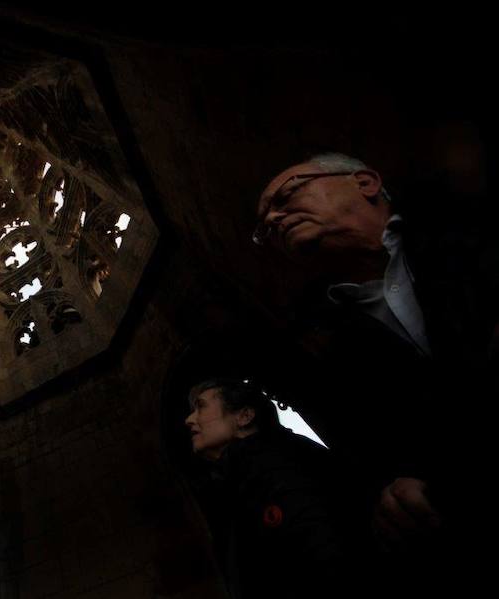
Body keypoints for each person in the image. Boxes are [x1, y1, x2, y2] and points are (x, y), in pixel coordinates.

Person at [253, 152, 497, 589]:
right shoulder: (321, 349)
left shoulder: (469, 221)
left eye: (287, 195)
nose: (273, 218)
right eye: (264, 226)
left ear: (365, 183)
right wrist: (388, 496)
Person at [184, 378, 368, 599]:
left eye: (201, 407)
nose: (189, 419)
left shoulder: (279, 465)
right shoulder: (241, 479)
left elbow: (329, 561)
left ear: (244, 416)